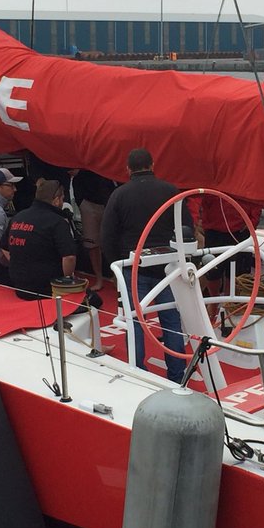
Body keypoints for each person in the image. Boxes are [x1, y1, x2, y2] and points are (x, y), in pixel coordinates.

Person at [101, 148, 189, 383]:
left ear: (127, 169)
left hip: (133, 267)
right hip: (167, 268)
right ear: (152, 165)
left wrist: (114, 268)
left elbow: (107, 235)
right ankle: (178, 375)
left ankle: (138, 372)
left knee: (134, 320)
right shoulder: (170, 191)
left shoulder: (119, 195)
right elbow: (185, 228)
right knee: (171, 320)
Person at [0, 179, 78, 300]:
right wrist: (66, 281)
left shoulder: (18, 217)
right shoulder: (58, 222)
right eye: (62, 199)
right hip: (48, 288)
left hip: (20, 285)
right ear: (56, 200)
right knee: (94, 301)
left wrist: (19, 264)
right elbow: (69, 257)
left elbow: (3, 247)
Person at [72, 169, 117, 291]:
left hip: (107, 200)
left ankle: (116, 275)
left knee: (112, 240)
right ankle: (99, 278)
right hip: (88, 200)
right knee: (92, 243)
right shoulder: (80, 175)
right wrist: (81, 202)